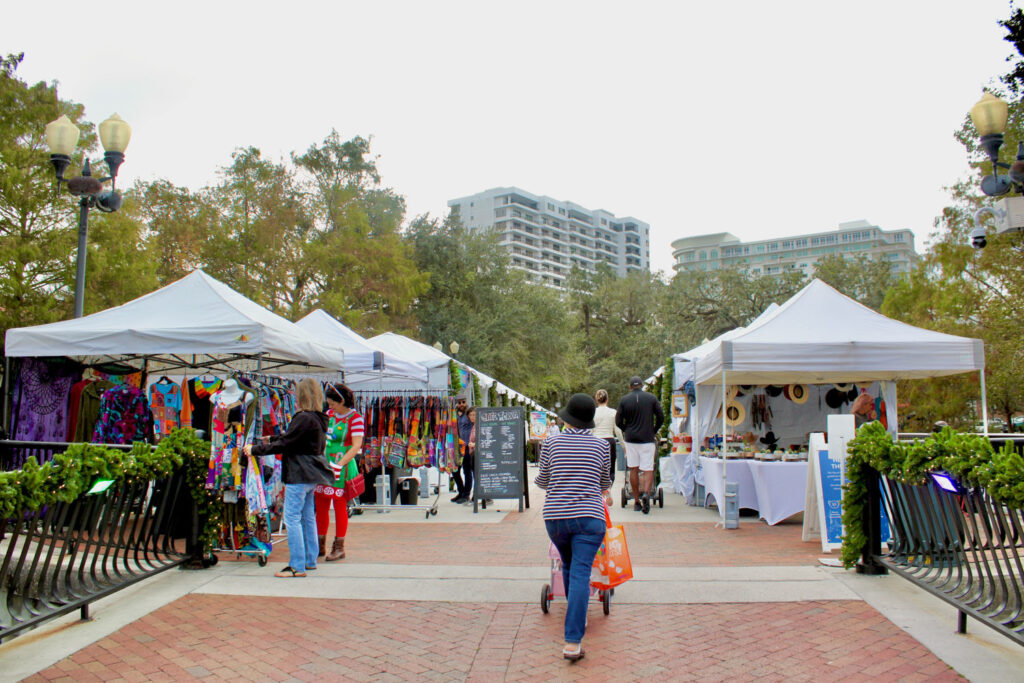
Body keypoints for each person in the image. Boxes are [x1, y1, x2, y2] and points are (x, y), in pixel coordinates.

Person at [534, 393, 612, 662]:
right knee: (580, 572)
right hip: (590, 519)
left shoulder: (551, 443)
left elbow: (543, 481)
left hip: (555, 519)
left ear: (567, 418)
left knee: (568, 566)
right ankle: (572, 641)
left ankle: (575, 619)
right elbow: (605, 483)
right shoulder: (602, 446)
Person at [244, 378, 332, 578]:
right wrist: (273, 439)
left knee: (292, 518)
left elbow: (288, 443)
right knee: (308, 517)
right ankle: (309, 560)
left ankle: (297, 565)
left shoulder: (303, 418)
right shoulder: (318, 418)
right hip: (311, 473)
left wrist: (255, 449)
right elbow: (296, 440)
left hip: (299, 474)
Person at [317, 382, 363, 562]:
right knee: (320, 503)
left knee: (339, 505)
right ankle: (319, 544)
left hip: (341, 465)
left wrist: (340, 465)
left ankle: (339, 546)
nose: (330, 406)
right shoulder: (328, 415)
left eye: (333, 403)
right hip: (324, 462)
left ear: (342, 401)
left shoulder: (356, 418)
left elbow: (356, 445)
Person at [616, 375, 665, 514]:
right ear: (642, 385)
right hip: (647, 438)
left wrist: (627, 430)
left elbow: (618, 420)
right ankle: (647, 495)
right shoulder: (651, 398)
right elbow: (661, 417)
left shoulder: (624, 400)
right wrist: (653, 430)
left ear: (630, 386)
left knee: (634, 469)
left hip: (631, 439)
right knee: (648, 468)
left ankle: (636, 500)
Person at [592, 389, 623, 484]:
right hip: (609, 441)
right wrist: (623, 445)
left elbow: (590, 429)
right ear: (607, 399)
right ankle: (608, 489)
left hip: (596, 441)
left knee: (595, 468)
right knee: (610, 469)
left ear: (596, 400)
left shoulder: (593, 412)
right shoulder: (613, 412)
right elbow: (617, 430)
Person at [452, 396, 474, 504]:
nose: (461, 404)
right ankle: (461, 491)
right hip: (458, 447)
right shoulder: (456, 414)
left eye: (463, 402)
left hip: (467, 446)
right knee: (455, 470)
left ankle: (466, 495)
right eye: (459, 402)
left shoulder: (469, 414)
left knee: (467, 471)